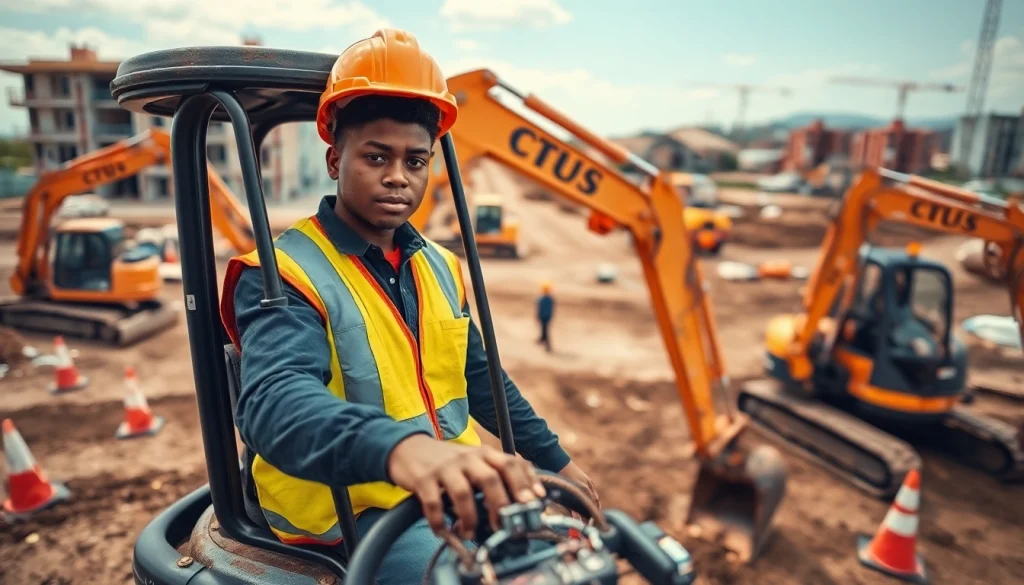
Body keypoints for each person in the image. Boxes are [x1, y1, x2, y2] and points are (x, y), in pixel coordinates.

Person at [218, 29, 597, 585]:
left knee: (565, 561)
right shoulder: (284, 274)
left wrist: (553, 458)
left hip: (447, 486)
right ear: (334, 160)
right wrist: (406, 450)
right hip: (348, 515)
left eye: (415, 161)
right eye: (377, 156)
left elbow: (479, 375)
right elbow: (274, 401)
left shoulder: (440, 265)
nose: (398, 176)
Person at [537, 281, 555, 353]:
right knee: (544, 329)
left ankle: (547, 345)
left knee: (545, 330)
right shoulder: (550, 299)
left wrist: (538, 316)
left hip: (544, 316)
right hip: (547, 317)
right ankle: (542, 338)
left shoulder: (542, 299)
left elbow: (539, 308)